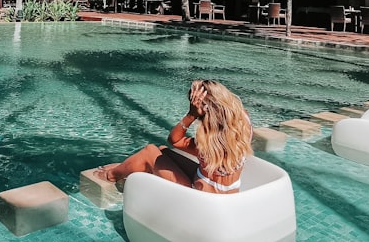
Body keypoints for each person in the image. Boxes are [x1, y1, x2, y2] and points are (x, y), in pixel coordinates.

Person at [95, 80, 253, 194]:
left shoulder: (207, 143)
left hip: (198, 199)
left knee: (150, 151)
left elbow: (175, 140)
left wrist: (190, 115)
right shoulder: (244, 121)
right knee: (163, 152)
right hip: (225, 194)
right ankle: (126, 167)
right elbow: (171, 146)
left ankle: (111, 175)